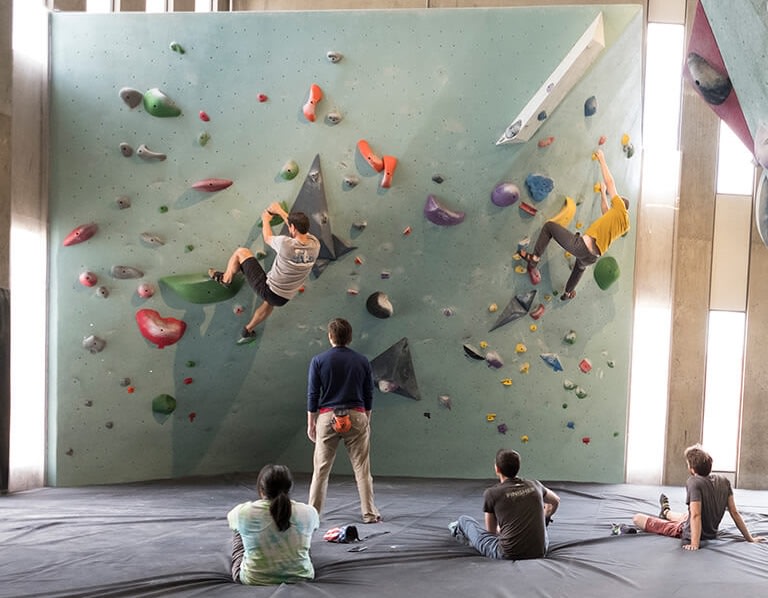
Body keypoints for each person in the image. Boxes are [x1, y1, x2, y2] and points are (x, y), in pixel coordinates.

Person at [519, 149, 630, 301]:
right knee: (579, 269)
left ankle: (534, 258)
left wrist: (602, 160)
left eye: (615, 199)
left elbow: (610, 183)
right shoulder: (623, 224)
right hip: (592, 256)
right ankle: (567, 293)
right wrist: (603, 193)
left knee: (549, 227)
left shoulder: (620, 207)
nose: (613, 199)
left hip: (582, 246)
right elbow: (606, 211)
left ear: (621, 203)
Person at [209, 201, 320, 344]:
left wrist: (265, 219)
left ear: (292, 228)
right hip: (284, 298)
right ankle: (247, 330)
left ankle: (225, 279)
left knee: (241, 252)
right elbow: (296, 228)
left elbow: (267, 238)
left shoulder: (286, 245)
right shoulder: (315, 244)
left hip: (268, 289)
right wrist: (280, 211)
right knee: (269, 304)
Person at [307, 318, 381, 524]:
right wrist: (367, 419)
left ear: (330, 336)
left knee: (320, 471)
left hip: (327, 417)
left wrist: (311, 423)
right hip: (357, 416)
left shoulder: (318, 361)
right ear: (349, 337)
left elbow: (313, 395)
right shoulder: (362, 361)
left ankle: (313, 517)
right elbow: (369, 394)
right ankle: (369, 514)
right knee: (362, 470)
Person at [631, 444, 763, 550]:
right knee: (685, 517)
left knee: (637, 518)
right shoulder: (724, 480)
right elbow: (734, 512)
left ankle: (665, 514)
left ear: (692, 469)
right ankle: (666, 512)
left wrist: (694, 543)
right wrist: (749, 538)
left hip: (691, 532)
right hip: (710, 531)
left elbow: (696, 515)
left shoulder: (694, 482)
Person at [449, 448, 560, 560]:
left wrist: (500, 530)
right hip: (540, 551)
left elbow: (491, 533)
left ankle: (456, 530)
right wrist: (544, 517)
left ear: (497, 469)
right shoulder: (535, 485)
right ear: (518, 467)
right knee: (544, 510)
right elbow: (555, 501)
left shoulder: (492, 493)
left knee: (464, 520)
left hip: (507, 554)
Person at [227, 464, 319, 585]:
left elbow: (231, 521)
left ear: (261, 489)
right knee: (305, 530)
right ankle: (295, 562)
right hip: (302, 576)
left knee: (239, 529)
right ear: (290, 488)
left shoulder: (243, 512)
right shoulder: (309, 512)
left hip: (253, 578)